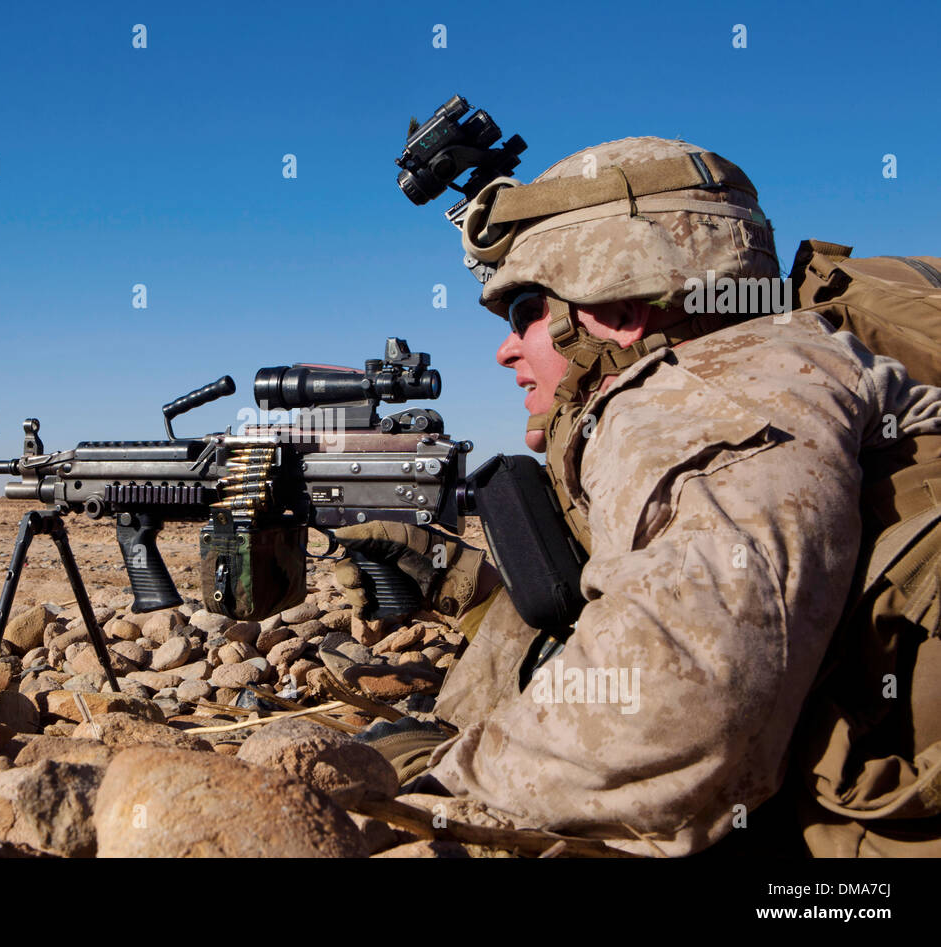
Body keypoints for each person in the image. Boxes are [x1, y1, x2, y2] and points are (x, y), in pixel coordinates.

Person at [333, 136, 941, 856]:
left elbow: (681, 699)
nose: (505, 349)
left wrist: (438, 798)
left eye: (525, 309)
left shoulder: (701, 387)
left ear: (619, 308)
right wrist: (457, 580)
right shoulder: (777, 370)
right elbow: (678, 596)